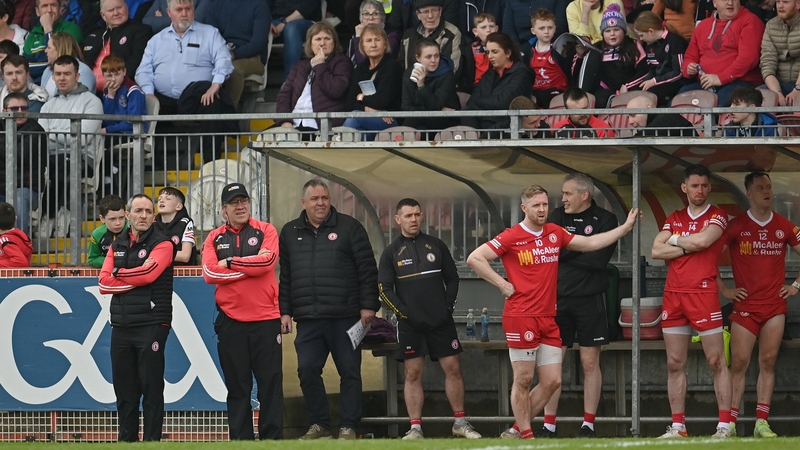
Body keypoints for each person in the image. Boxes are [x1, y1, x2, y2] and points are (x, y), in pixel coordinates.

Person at [467, 184, 637, 440]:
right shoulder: (512, 236)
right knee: (523, 379)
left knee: (553, 381)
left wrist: (624, 229)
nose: (542, 209)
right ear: (525, 208)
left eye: (545, 204)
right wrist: (501, 283)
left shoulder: (555, 233)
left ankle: (516, 429)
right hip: (521, 316)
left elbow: (590, 243)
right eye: (536, 205)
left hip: (548, 317)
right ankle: (525, 435)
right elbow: (475, 258)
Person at [279, 179, 379, 440]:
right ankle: (320, 424)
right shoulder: (290, 232)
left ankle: (349, 426)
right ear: (304, 203)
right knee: (307, 370)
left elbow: (367, 270)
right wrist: (285, 310)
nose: (320, 203)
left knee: (349, 372)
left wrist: (369, 305)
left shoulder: (350, 227)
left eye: (324, 198)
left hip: (345, 316)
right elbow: (286, 276)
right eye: (314, 199)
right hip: (308, 318)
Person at [378, 198, 481, 440]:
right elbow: (384, 288)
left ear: (422, 216)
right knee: (413, 374)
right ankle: (415, 428)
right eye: (408, 216)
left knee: (454, 369)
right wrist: (405, 313)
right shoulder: (391, 253)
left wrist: (446, 308)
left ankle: (460, 422)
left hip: (440, 323)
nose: (413, 219)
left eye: (416, 214)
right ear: (397, 220)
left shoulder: (436, 245)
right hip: (410, 325)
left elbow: (453, 278)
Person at [651, 164, 732, 439]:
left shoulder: (718, 215)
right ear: (684, 188)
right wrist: (686, 243)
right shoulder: (674, 217)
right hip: (674, 295)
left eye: (704, 186)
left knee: (716, 360)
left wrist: (675, 243)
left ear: (709, 188)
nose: (700, 190)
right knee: (675, 362)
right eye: (695, 186)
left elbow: (703, 241)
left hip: (703, 294)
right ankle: (678, 427)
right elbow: (655, 249)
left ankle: (724, 426)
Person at [534, 173, 618, 438]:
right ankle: (548, 424)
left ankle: (588, 424)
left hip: (591, 299)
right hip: (557, 299)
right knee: (553, 362)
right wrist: (583, 249)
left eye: (568, 194)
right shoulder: (557, 216)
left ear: (585, 195)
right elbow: (550, 251)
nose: (562, 199)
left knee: (590, 361)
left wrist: (567, 252)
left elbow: (598, 262)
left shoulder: (606, 219)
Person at [718, 172, 800, 438]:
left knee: (768, 361)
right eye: (760, 188)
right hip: (745, 308)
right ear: (749, 194)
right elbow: (707, 258)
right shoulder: (736, 226)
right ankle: (729, 423)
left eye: (769, 186)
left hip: (774, 307)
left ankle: (761, 422)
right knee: (739, 363)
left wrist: (796, 286)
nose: (767, 191)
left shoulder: (785, 225)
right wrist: (726, 290)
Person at [202, 182, 283, 440]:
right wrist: (251, 268)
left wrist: (230, 264)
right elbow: (209, 273)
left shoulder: (265, 230)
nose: (240, 206)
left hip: (266, 321)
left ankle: (272, 442)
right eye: (234, 202)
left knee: (270, 384)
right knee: (238, 388)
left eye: (244, 201)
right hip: (231, 323)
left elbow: (268, 261)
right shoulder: (214, 237)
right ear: (224, 209)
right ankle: (241, 442)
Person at [97, 194, 175, 442]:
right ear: (128, 215)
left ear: (154, 216)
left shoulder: (163, 244)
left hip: (152, 324)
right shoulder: (116, 244)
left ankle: (152, 443)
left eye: (148, 211)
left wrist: (119, 273)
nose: (143, 216)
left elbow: (149, 275)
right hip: (121, 326)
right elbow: (103, 283)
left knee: (151, 390)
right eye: (138, 211)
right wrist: (131, 278)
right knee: (125, 391)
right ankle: (126, 442)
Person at [135, 0, 235, 162]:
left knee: (213, 104)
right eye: (179, 9)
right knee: (144, 104)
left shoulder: (210, 33)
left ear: (193, 10)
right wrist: (149, 92)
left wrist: (216, 84)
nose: (184, 13)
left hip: (198, 96)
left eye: (187, 9)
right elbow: (143, 70)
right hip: (163, 99)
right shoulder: (157, 40)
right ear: (169, 13)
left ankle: (211, 164)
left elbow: (224, 60)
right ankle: (153, 164)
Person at [38, 55, 103, 239]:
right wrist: (68, 132)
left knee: (62, 163)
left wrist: (53, 132)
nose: (62, 78)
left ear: (77, 75)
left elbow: (82, 140)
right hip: (51, 157)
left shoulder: (91, 101)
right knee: (47, 166)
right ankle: (60, 213)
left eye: (67, 73)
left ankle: (48, 217)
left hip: (82, 158)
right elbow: (43, 137)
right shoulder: (49, 105)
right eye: (58, 74)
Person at [679, 0, 765, 107]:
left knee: (719, 104)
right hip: (707, 84)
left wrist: (721, 78)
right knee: (680, 99)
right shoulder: (702, 26)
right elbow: (690, 56)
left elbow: (748, 58)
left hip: (741, 82)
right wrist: (689, 67)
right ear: (715, 3)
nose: (730, 3)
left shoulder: (750, 21)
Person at [275, 21, 353, 134]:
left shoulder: (342, 62)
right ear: (310, 44)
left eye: (327, 38)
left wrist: (320, 65)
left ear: (334, 42)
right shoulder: (299, 66)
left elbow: (336, 90)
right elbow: (285, 95)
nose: (322, 43)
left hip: (320, 126)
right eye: (317, 39)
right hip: (293, 124)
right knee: (260, 142)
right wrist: (285, 121)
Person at [579, 5, 648, 108]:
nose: (612, 34)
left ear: (624, 31)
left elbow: (644, 70)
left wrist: (627, 85)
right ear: (603, 34)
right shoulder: (597, 49)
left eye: (616, 30)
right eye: (608, 31)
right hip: (605, 89)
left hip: (628, 88)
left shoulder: (633, 45)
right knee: (600, 100)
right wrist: (579, 54)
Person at [204, 0, 270, 108]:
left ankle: (229, 116)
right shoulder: (214, 6)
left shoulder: (260, 5)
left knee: (234, 69)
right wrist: (223, 55)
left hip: (253, 58)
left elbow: (259, 43)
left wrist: (234, 55)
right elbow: (210, 38)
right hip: (220, 55)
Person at [462, 32, 533, 130]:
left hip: (506, 125)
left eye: (494, 52)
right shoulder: (488, 75)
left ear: (508, 53)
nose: (490, 56)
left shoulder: (522, 73)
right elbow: (471, 102)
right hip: (483, 121)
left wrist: (480, 102)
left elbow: (504, 102)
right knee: (466, 111)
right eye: (488, 52)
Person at [342, 24, 402, 139]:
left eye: (377, 40)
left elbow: (381, 101)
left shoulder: (393, 66)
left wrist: (361, 97)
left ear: (385, 44)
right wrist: (369, 110)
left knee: (354, 116)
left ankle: (337, 147)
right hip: (368, 120)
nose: (373, 45)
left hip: (390, 121)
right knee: (359, 135)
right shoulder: (360, 69)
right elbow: (349, 103)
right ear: (362, 46)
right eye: (369, 40)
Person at [0, 92, 47, 235]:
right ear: (4, 111)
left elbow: (18, 155)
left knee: (19, 198)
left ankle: (18, 246)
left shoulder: (36, 131)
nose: (20, 112)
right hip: (2, 188)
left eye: (24, 108)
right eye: (15, 108)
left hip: (27, 189)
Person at [83, 0, 153, 93]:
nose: (116, 13)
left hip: (121, 91)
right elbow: (82, 64)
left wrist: (115, 83)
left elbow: (137, 61)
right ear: (103, 15)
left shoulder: (141, 31)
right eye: (111, 10)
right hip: (89, 93)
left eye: (119, 7)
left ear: (126, 8)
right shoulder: (94, 36)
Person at [401, 38, 460, 134]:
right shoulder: (409, 74)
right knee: (420, 130)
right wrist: (439, 109)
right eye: (428, 57)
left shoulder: (447, 75)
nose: (433, 60)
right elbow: (406, 106)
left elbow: (434, 107)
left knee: (414, 120)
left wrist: (421, 86)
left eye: (436, 56)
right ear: (418, 58)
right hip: (421, 120)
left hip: (445, 120)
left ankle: (398, 141)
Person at [632, 11, 688, 106]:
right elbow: (652, 69)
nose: (641, 39)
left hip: (677, 82)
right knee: (636, 92)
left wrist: (654, 81)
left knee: (652, 94)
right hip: (660, 81)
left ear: (651, 31)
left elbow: (678, 72)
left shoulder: (675, 41)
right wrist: (647, 82)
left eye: (642, 35)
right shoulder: (649, 45)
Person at [23, 0, 84, 83]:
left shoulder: (71, 29)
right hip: (36, 86)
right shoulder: (33, 35)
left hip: (62, 83)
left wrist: (48, 29)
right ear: (37, 11)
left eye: (53, 5)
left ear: (60, 9)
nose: (49, 10)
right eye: (44, 6)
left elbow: (58, 61)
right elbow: (25, 68)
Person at [397, 0, 462, 74]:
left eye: (434, 10)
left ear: (440, 11)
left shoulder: (452, 34)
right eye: (425, 12)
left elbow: (452, 68)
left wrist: (422, 81)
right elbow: (401, 66)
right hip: (410, 83)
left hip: (441, 84)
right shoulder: (408, 36)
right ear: (418, 14)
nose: (430, 16)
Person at [525, 8, 569, 108]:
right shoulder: (528, 52)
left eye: (550, 28)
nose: (546, 31)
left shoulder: (561, 49)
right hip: (536, 91)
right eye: (542, 28)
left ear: (555, 29)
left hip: (557, 90)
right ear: (533, 31)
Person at [270, 0, 322, 81]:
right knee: (261, 27)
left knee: (291, 28)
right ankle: (256, 73)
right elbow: (263, 6)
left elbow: (307, 7)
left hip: (305, 20)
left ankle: (290, 80)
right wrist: (266, 22)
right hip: (277, 20)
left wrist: (284, 22)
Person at [760, 0, 800, 106]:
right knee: (751, 98)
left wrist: (797, 89)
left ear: (798, 4)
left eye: (785, 2)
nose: (780, 6)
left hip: (798, 85)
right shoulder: (771, 25)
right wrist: (777, 93)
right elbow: (767, 63)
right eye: (778, 2)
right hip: (780, 85)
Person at [40, 32, 96, 96]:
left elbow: (80, 100)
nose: (45, 51)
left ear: (59, 49)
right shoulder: (48, 70)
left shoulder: (83, 71)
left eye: (49, 47)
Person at [347, 0, 401, 65]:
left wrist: (358, 38)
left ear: (382, 19)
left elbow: (363, 63)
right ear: (360, 19)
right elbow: (348, 62)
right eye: (366, 14)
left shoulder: (392, 36)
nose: (370, 18)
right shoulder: (357, 35)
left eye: (375, 14)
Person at [154, 186, 197, 265]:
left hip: (182, 274)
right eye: (159, 199)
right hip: (158, 273)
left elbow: (185, 256)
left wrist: (158, 255)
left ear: (178, 206)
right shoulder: (152, 224)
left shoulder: (186, 223)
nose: (161, 201)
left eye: (167, 198)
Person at [459, 11, 497, 94]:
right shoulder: (469, 48)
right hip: (474, 88)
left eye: (491, 26)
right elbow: (464, 73)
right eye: (483, 27)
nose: (488, 30)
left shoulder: (503, 48)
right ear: (475, 31)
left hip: (495, 87)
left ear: (497, 29)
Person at [87, 194, 128, 268]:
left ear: (126, 214)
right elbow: (92, 259)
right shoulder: (97, 234)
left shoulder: (133, 228)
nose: (118, 223)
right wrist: (112, 260)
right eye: (112, 219)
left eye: (121, 218)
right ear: (102, 218)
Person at [626, 95, 698, 136]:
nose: (630, 122)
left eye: (633, 115)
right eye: (628, 117)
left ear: (648, 107)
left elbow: (642, 137)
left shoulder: (665, 116)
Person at [503, 0, 568, 45]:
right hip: (520, 46)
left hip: (550, 44)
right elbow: (508, 28)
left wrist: (537, 43)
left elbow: (560, 25)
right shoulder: (511, 1)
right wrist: (517, 49)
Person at [386, 0, 460, 34]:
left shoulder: (449, 2)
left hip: (441, 40)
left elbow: (449, 27)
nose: (430, 15)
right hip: (411, 40)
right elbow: (394, 26)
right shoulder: (401, 1)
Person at [142, 0, 208, 32]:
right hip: (164, 42)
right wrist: (182, 20)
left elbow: (196, 21)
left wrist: (162, 19)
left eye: (188, 9)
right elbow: (146, 22)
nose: (184, 13)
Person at [0, 201, 33, 267]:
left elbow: (21, 262)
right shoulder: (20, 235)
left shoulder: (5, 240)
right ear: (15, 219)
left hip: (10, 276)